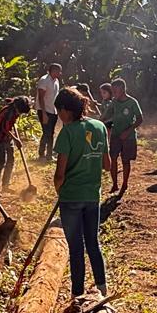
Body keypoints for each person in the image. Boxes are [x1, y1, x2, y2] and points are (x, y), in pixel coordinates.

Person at [53, 86, 110, 298]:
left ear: (67, 110)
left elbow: (60, 174)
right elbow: (107, 164)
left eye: (60, 111)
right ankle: (102, 289)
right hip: (92, 196)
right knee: (93, 242)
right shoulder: (100, 127)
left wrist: (60, 191)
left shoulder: (67, 132)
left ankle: (77, 296)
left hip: (71, 198)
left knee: (76, 248)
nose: (59, 116)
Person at [105, 78, 143, 196]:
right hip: (116, 135)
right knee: (113, 158)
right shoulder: (114, 102)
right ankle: (115, 184)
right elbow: (106, 115)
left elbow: (140, 119)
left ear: (123, 89)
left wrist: (128, 131)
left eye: (116, 90)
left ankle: (124, 184)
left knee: (126, 161)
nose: (114, 93)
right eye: (113, 90)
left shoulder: (132, 102)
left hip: (129, 137)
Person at [0, 96, 31, 190]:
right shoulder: (8, 112)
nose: (20, 114)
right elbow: (5, 128)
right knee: (1, 162)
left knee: (11, 160)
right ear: (17, 107)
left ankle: (5, 185)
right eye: (20, 112)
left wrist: (14, 137)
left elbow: (10, 126)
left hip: (7, 137)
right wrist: (16, 139)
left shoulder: (15, 108)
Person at [35, 63, 62, 161]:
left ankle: (49, 154)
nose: (60, 73)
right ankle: (41, 154)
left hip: (53, 110)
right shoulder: (44, 80)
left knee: (51, 133)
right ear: (53, 71)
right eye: (58, 71)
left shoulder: (56, 81)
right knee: (46, 132)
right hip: (44, 110)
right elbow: (41, 97)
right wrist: (44, 113)